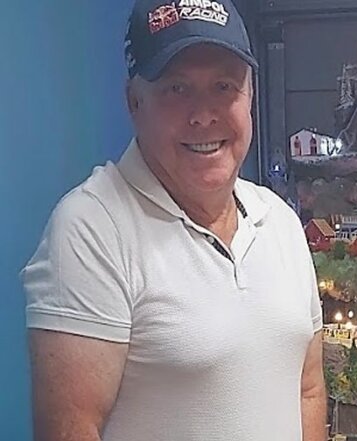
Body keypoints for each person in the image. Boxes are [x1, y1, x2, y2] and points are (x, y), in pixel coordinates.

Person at [20, 1, 326, 440]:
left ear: (250, 96)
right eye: (177, 89)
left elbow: (307, 390)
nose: (203, 114)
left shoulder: (279, 220)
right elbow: (70, 429)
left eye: (224, 86)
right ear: (134, 101)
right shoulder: (91, 228)